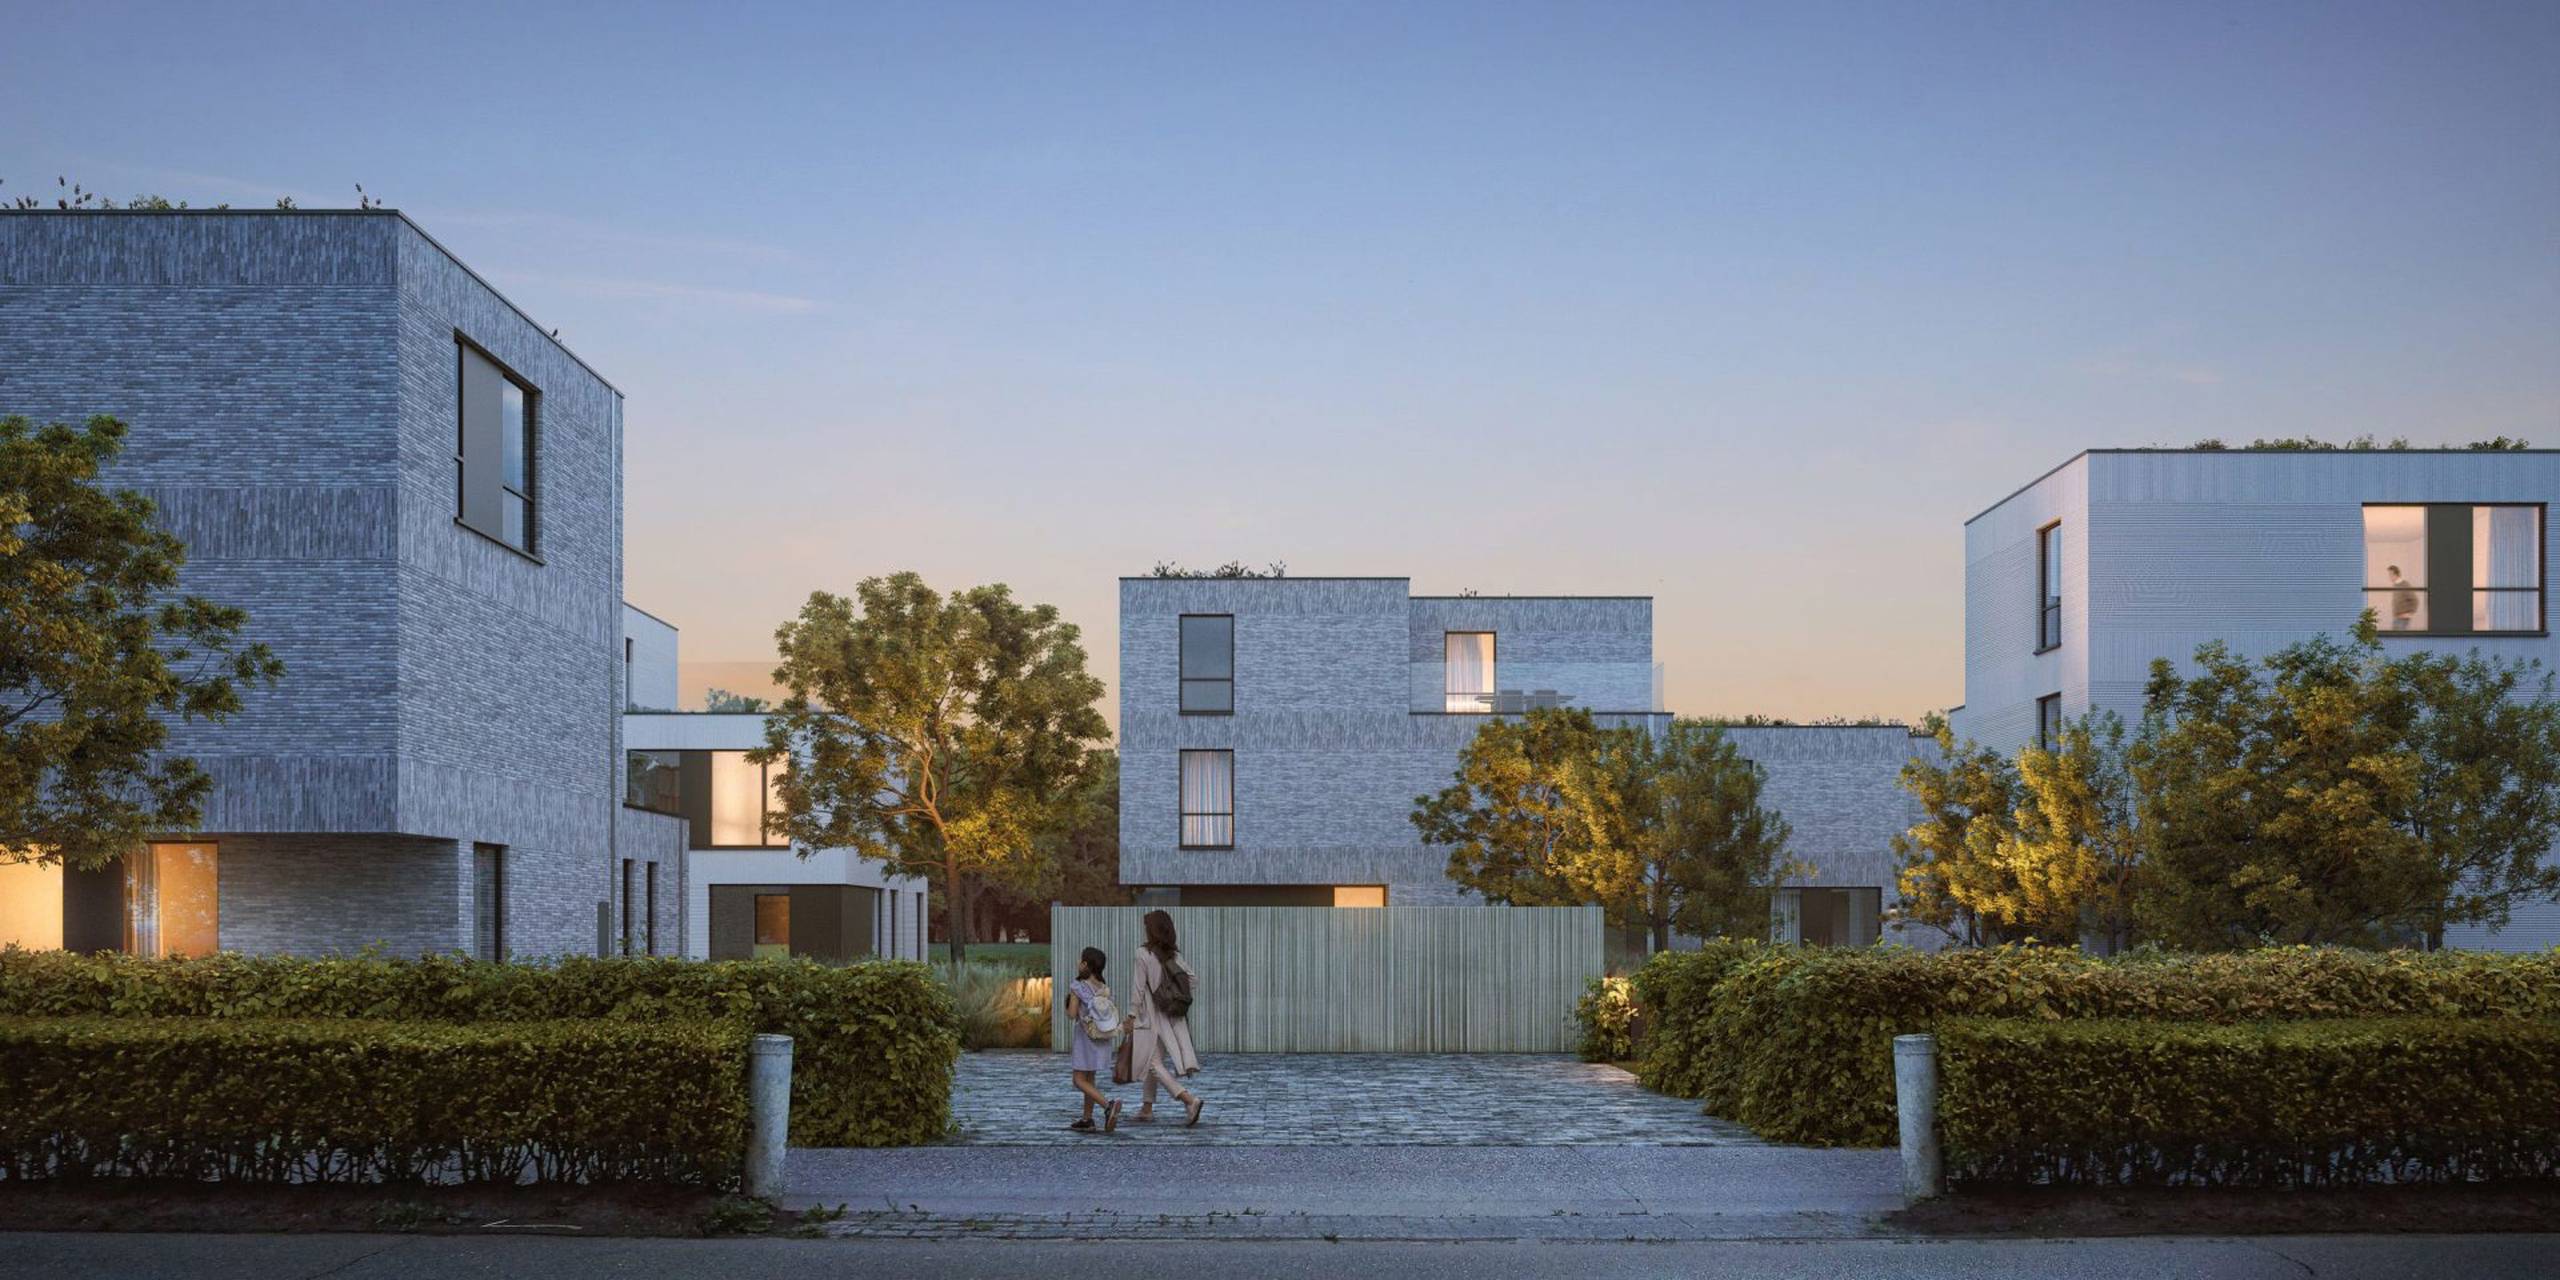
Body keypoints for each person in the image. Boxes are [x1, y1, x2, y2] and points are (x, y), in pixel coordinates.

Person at [1127, 908, 1205, 1127]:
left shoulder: (1143, 953)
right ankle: (1147, 1108)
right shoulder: (1173, 955)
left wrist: (1131, 1015)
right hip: (1171, 1017)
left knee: (1150, 1063)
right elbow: (1192, 980)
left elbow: (1139, 989)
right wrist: (1171, 992)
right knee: (1155, 1060)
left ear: (1151, 931)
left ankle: (1189, 1100)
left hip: (1151, 1016)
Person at [1063, 946, 1124, 1133]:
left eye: (1080, 960)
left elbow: (1072, 1014)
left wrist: (1067, 1006)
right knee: (1090, 1079)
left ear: (1085, 964)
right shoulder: (1103, 988)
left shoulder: (1078, 986)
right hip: (1101, 1039)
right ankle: (1087, 1119)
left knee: (1078, 1080)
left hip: (1085, 1039)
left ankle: (1108, 1105)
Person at [2386, 565, 2419, 631]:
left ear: (2395, 574)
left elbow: (2415, 600)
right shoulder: (2395, 585)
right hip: (2396, 618)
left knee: (2400, 639)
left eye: (2390, 574)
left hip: (2403, 619)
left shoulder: (2405, 585)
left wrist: (2410, 613)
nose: (2389, 577)